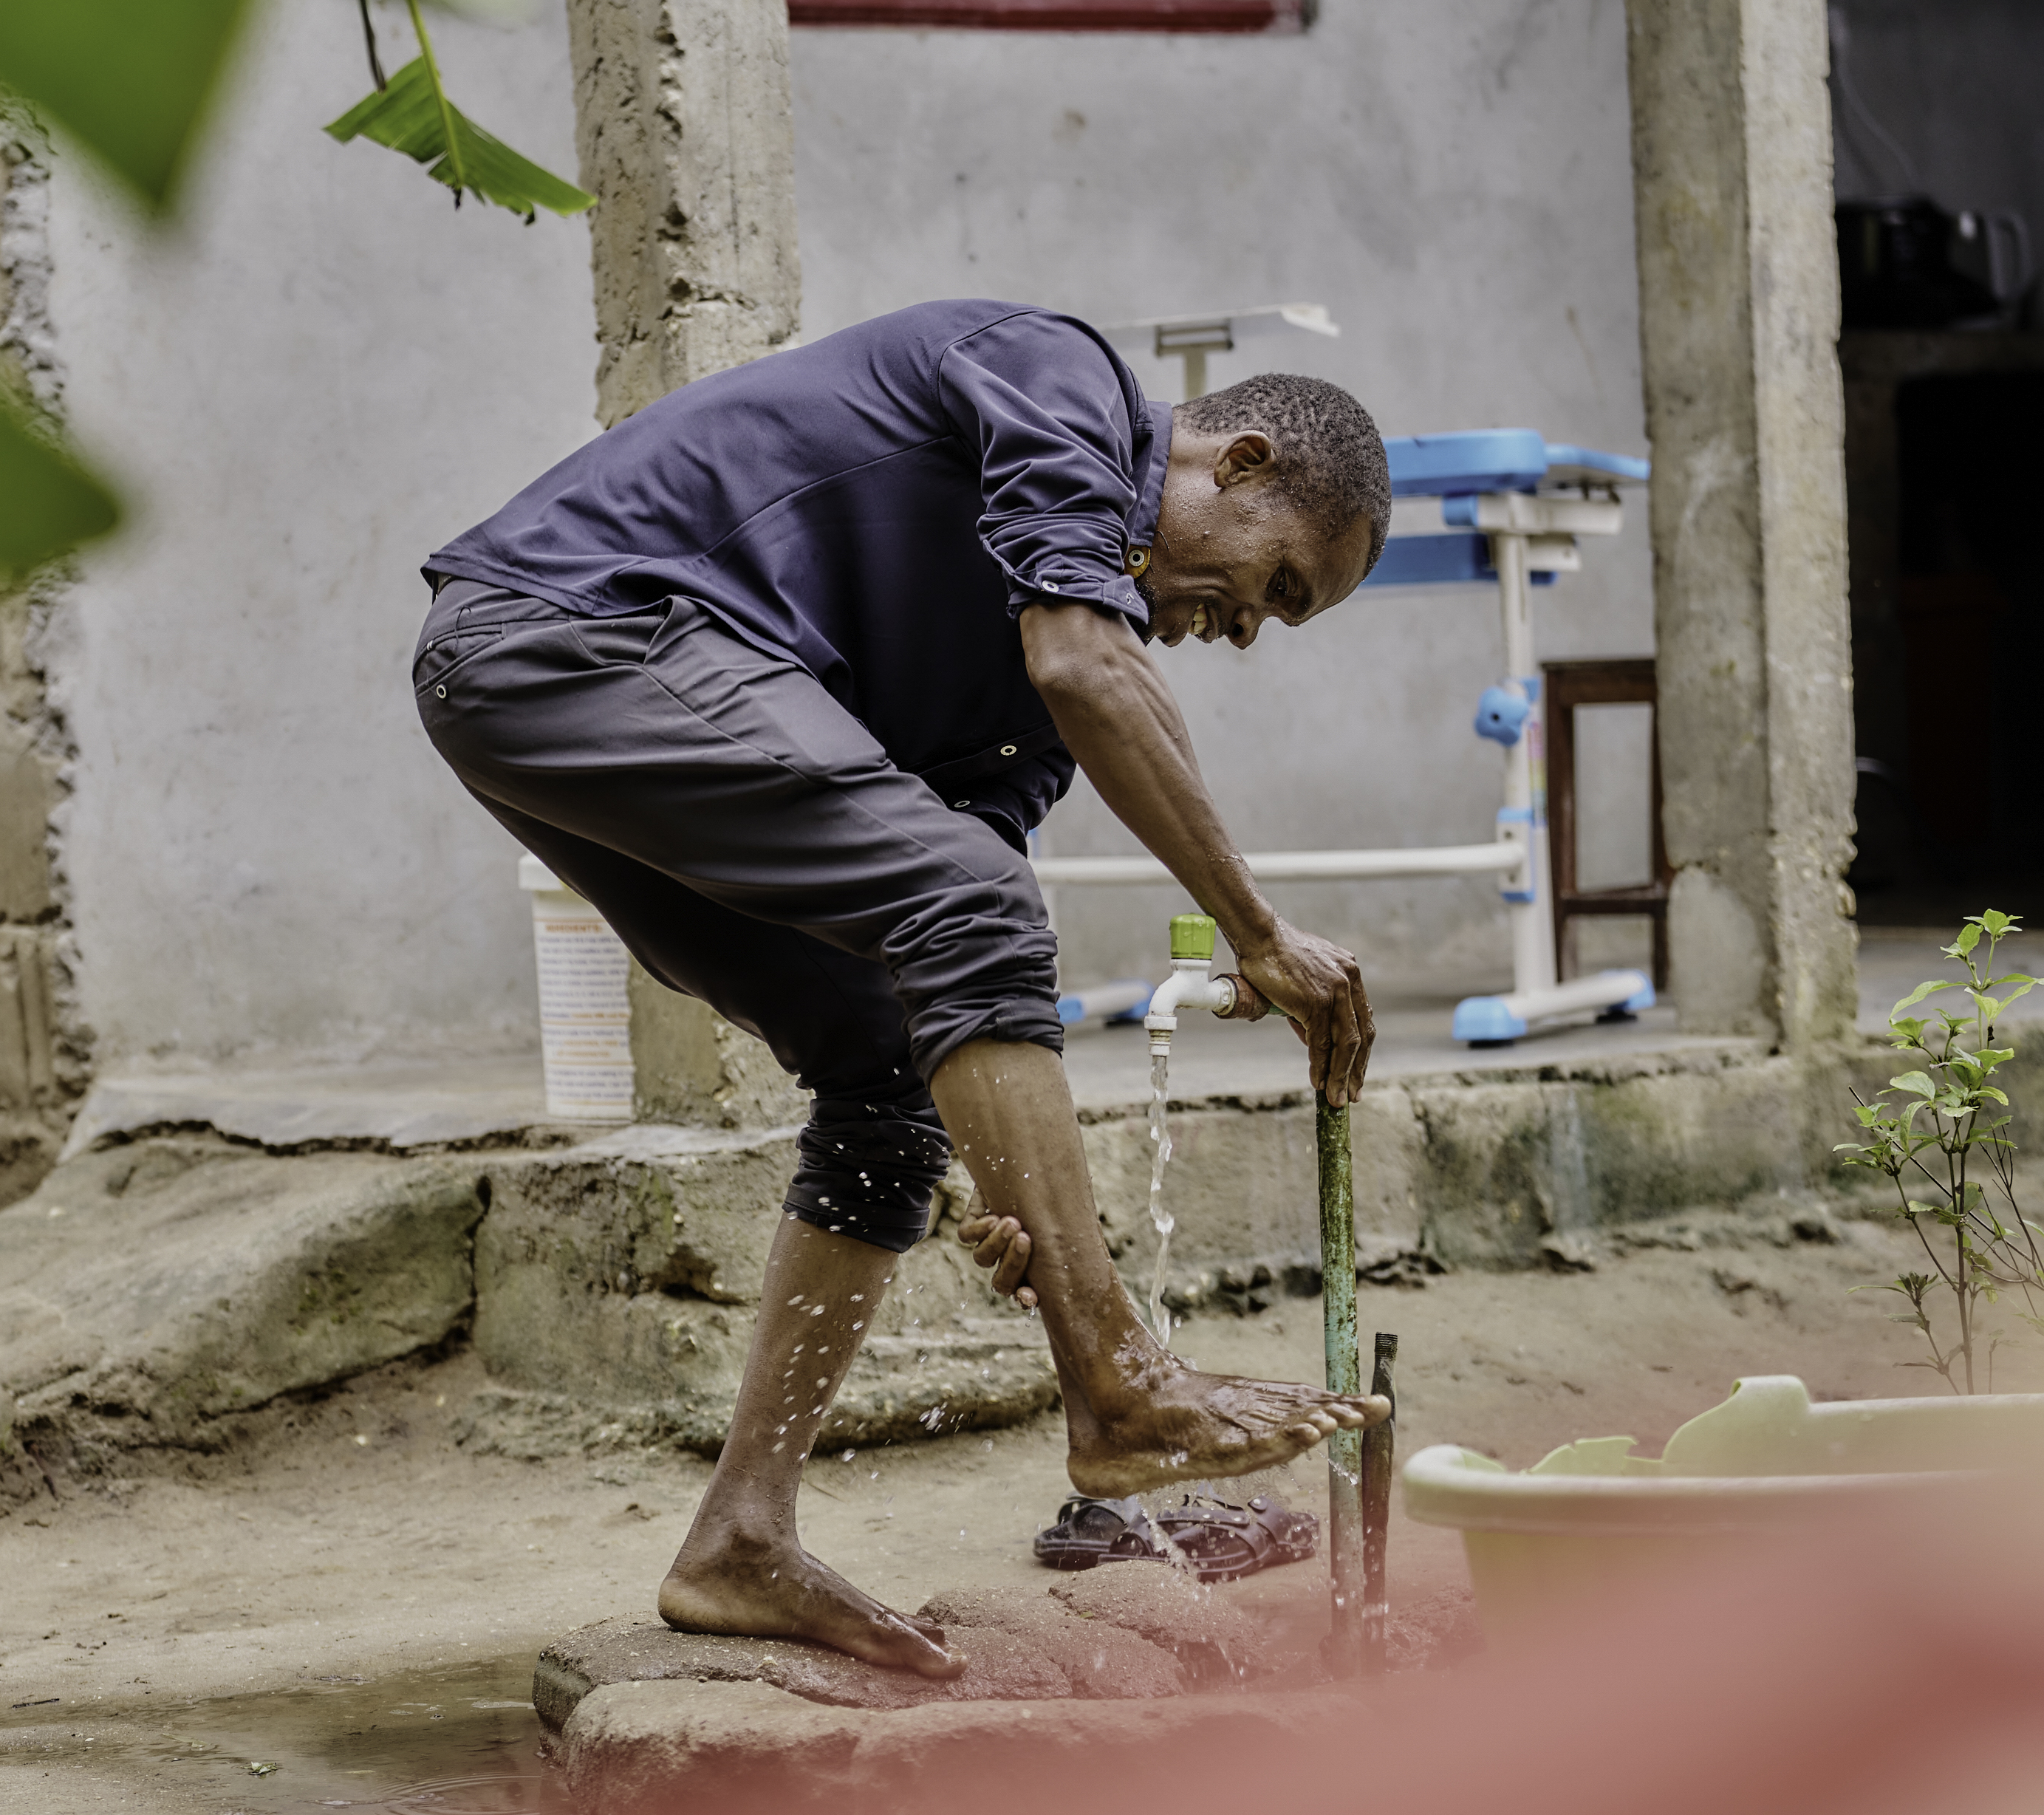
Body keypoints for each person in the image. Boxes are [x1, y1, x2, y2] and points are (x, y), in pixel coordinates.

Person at [416, 298, 1393, 1678]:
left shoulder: (1025, 704)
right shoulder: (1060, 381)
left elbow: (947, 946)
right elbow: (1081, 667)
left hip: (566, 692)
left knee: (885, 1081)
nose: (1249, 631)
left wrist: (1005, 1201)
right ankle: (1118, 1383)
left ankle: (738, 1542)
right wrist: (1256, 930)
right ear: (1232, 466)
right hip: (567, 630)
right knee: (977, 905)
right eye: (1277, 584)